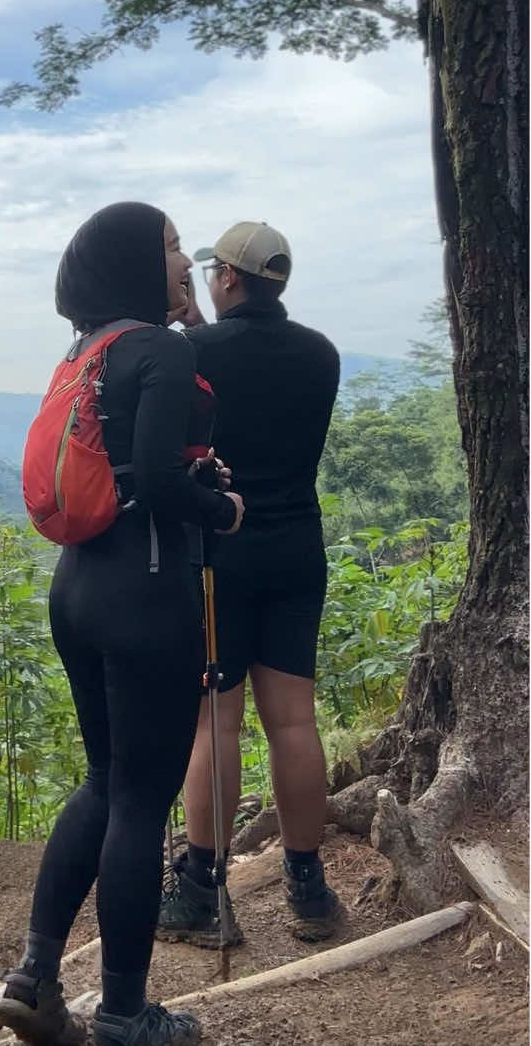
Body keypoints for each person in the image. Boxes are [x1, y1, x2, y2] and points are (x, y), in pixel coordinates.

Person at [0, 202, 244, 1046]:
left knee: (104, 781)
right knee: (140, 798)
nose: (185, 259)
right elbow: (169, 489)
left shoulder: (86, 351)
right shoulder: (162, 349)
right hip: (146, 588)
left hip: (77, 588)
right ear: (139, 261)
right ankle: (127, 1014)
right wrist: (225, 504)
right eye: (173, 245)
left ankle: (33, 975)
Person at [157, 222, 341, 946]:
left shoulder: (191, 353)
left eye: (210, 272)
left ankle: (203, 887)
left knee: (216, 720)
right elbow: (249, 378)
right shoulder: (320, 354)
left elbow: (206, 398)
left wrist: (191, 334)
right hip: (296, 549)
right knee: (293, 720)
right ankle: (307, 885)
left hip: (219, 552)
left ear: (227, 278)